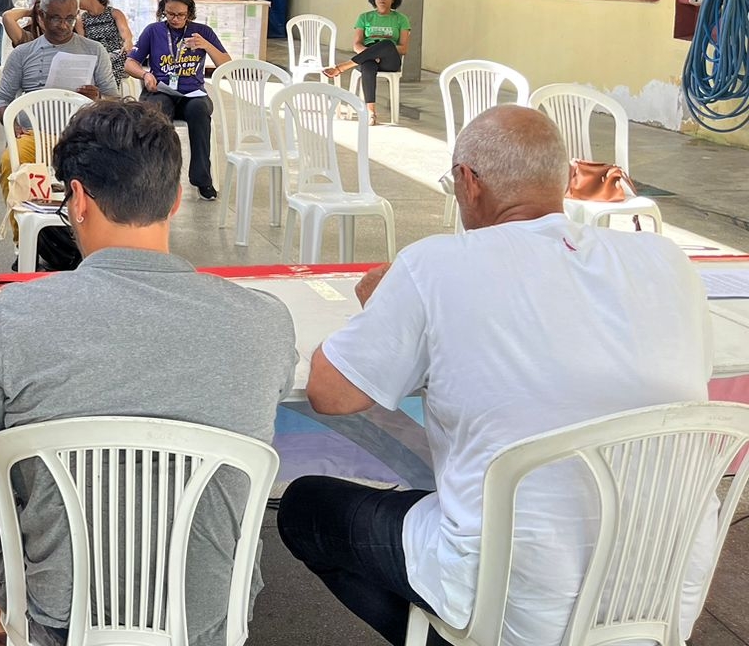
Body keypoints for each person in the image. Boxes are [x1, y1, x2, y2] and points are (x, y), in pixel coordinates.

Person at [278, 106, 715, 646]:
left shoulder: (434, 265)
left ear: (468, 181)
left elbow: (330, 393)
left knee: (305, 509)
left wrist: (383, 309)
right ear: (564, 179)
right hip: (667, 589)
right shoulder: (667, 262)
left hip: (515, 603)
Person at [0, 100, 296, 646]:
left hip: (60, 617)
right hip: (208, 619)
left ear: (77, 199)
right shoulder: (266, 321)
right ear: (175, 198)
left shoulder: (17, 316)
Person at [0, 0, 118, 194]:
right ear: (41, 16)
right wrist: (11, 124)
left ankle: (85, 214)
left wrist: (98, 97)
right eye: (55, 18)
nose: (63, 25)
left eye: (70, 19)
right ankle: (22, 216)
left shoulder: (94, 50)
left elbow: (115, 100)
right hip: (34, 135)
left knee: (112, 168)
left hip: (81, 137)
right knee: (10, 163)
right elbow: (1, 100)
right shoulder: (23, 54)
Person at [124, 0, 229, 201]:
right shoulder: (153, 31)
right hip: (161, 90)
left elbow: (226, 64)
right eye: (170, 13)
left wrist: (206, 45)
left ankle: (202, 179)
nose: (175, 19)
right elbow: (130, 63)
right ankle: (157, 178)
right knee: (157, 113)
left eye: (181, 14)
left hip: (192, 93)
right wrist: (145, 75)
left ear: (189, 12)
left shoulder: (202, 32)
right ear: (163, 10)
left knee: (200, 111)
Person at [323, 0, 410, 125]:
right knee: (368, 67)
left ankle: (344, 67)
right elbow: (357, 44)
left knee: (387, 44)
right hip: (367, 56)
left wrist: (380, 52)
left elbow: (403, 48)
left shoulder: (401, 19)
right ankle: (371, 112)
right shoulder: (364, 17)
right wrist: (372, 54)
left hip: (390, 59)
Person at [74, 0, 131, 88]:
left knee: (110, 63)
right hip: (95, 57)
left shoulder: (114, 13)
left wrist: (128, 43)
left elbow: (126, 33)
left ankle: (109, 92)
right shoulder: (81, 19)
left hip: (115, 55)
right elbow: (82, 42)